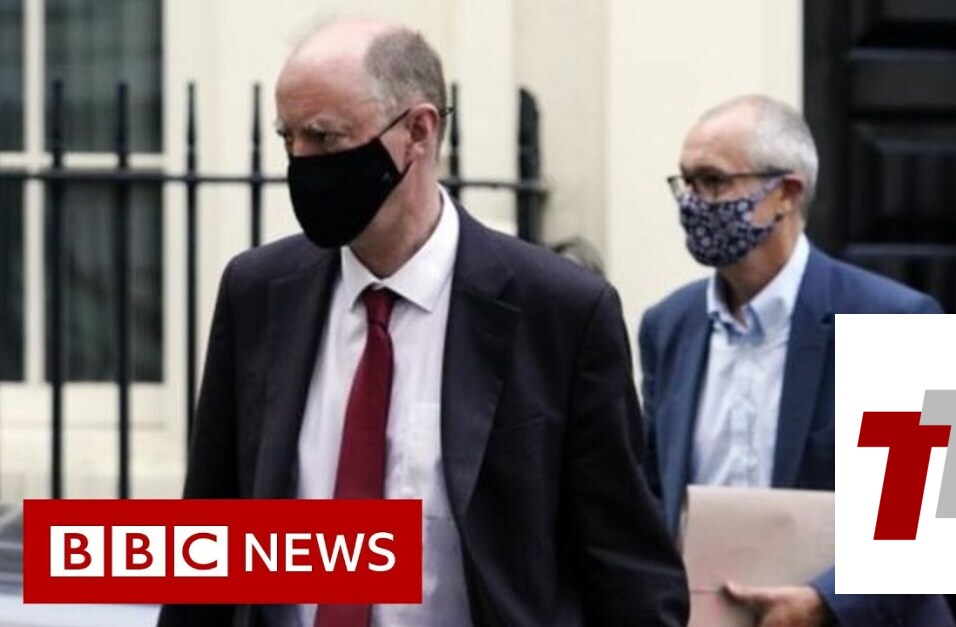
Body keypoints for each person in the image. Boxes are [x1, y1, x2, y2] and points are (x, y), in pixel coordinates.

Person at [158, 18, 688, 627]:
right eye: (288, 138)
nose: (301, 162)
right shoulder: (258, 292)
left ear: (417, 131)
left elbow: (626, 568)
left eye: (325, 137)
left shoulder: (561, 311)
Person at [639, 94, 954, 627]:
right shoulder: (668, 326)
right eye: (685, 183)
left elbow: (931, 514)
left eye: (713, 181)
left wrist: (823, 603)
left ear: (786, 193)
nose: (692, 203)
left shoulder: (895, 320)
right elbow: (652, 496)